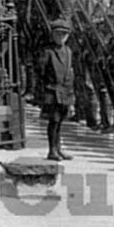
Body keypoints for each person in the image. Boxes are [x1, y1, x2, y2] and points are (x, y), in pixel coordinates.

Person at [39, 19, 76, 161]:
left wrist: (71, 95)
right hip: (52, 90)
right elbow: (41, 71)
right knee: (53, 121)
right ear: (53, 35)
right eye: (58, 34)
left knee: (60, 121)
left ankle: (58, 148)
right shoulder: (48, 52)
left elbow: (71, 73)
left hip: (65, 91)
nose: (61, 37)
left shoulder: (69, 51)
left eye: (64, 35)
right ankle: (52, 150)